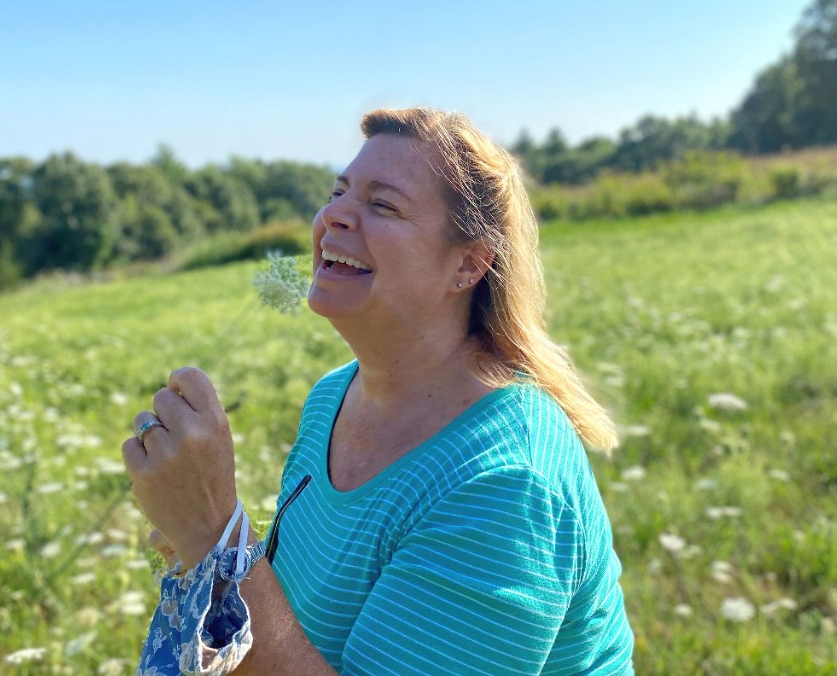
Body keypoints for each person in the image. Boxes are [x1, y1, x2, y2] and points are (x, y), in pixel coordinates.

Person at [123, 106, 635, 675]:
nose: (335, 215)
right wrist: (204, 538)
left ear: (468, 264)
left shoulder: (507, 485)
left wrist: (213, 538)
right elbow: (306, 614)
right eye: (339, 193)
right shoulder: (334, 396)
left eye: (382, 204)